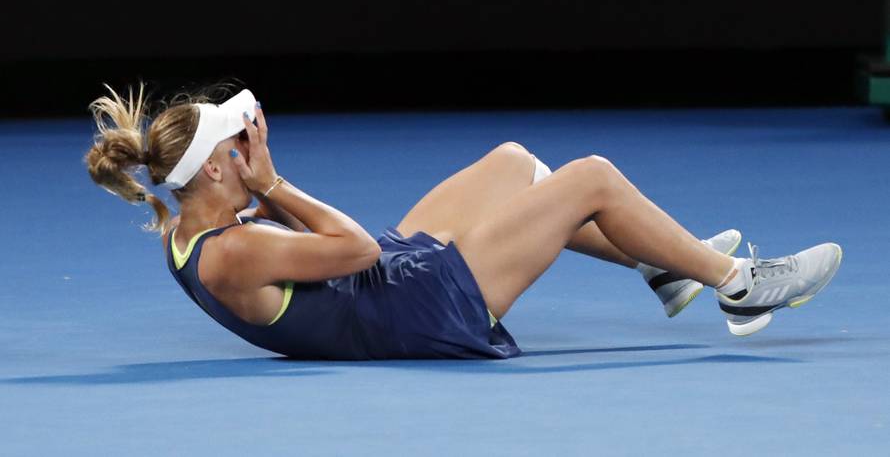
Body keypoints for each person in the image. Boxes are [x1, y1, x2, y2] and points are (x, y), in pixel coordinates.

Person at [84, 83, 842, 360]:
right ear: (217, 170)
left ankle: (662, 264)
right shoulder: (230, 254)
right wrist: (276, 180)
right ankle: (738, 286)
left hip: (385, 286)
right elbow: (351, 251)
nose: (253, 144)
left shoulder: (198, 230)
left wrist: (264, 182)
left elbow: (346, 256)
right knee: (592, 178)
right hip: (419, 310)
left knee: (513, 161)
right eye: (238, 142)